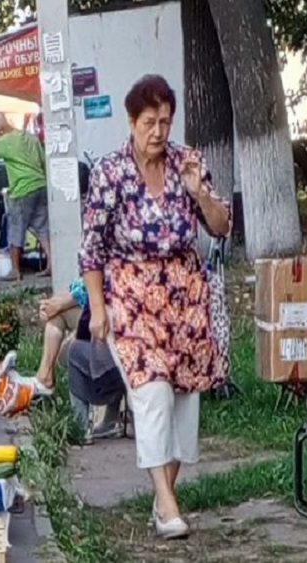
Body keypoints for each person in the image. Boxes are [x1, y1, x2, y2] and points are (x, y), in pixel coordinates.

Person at [79, 74, 231, 539]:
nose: (159, 132)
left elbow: (221, 226)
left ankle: (163, 495)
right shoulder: (110, 173)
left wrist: (198, 192)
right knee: (152, 395)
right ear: (131, 121)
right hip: (132, 299)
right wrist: (99, 309)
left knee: (184, 404)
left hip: (185, 300)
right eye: (149, 121)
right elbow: (91, 250)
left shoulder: (188, 162)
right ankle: (167, 504)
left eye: (165, 121)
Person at [36, 279, 124, 443]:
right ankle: (110, 419)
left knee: (74, 351)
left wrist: (59, 304)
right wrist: (57, 303)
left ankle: (80, 426)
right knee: (58, 318)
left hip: (116, 362)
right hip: (138, 347)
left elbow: (93, 285)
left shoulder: (105, 265)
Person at [0, 115, 50, 279]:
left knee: (15, 228)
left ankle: (15, 270)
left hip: (22, 190)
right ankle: (51, 265)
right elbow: (43, 163)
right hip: (41, 186)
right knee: (42, 228)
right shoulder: (32, 139)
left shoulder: (8, 140)